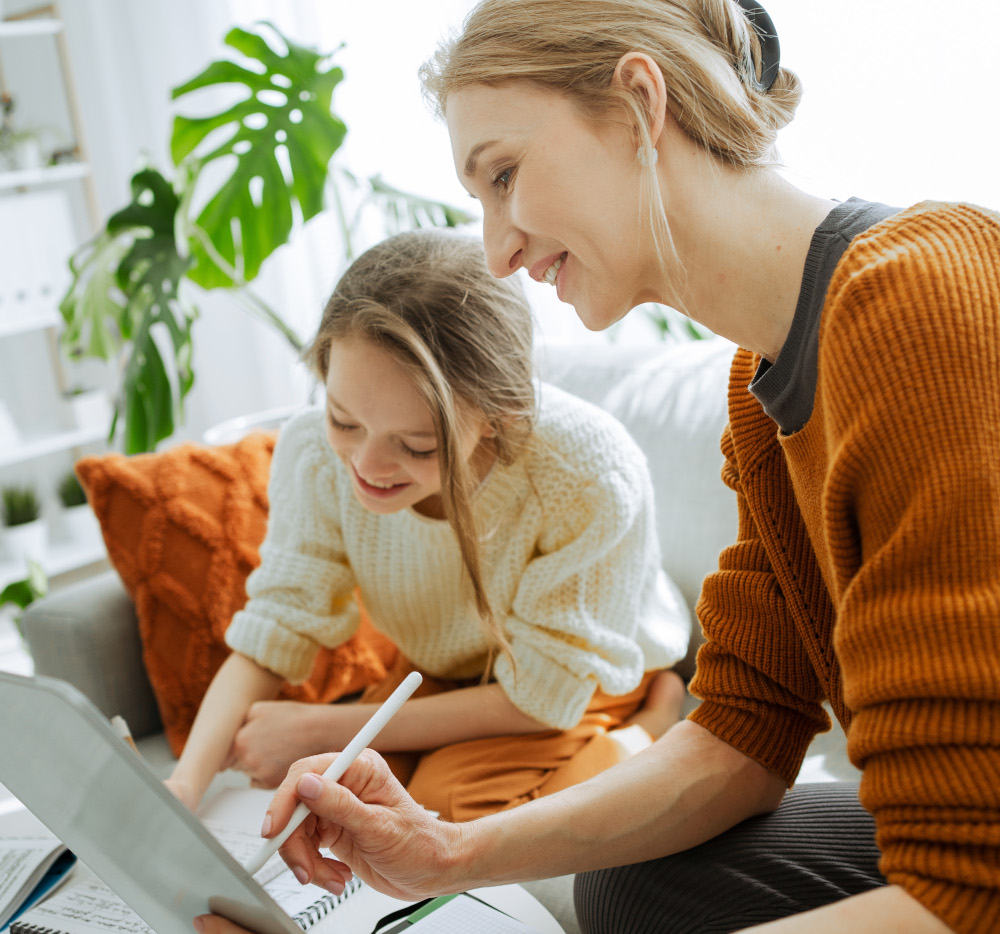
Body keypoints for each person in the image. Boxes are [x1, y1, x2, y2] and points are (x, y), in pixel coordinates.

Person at [194, 1, 999, 932]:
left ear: (636, 105)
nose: (496, 252)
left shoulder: (921, 301)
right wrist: (443, 854)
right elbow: (744, 730)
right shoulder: (763, 386)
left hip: (973, 871)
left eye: (504, 174)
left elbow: (965, 894)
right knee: (630, 885)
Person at [167, 228, 690, 821]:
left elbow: (546, 696)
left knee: (444, 810)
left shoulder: (585, 470)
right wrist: (184, 787)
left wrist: (319, 725)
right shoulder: (313, 454)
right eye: (344, 420)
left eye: (415, 446)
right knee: (354, 804)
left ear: (497, 416)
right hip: (439, 675)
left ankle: (648, 726)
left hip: (582, 680)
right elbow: (277, 624)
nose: (365, 466)